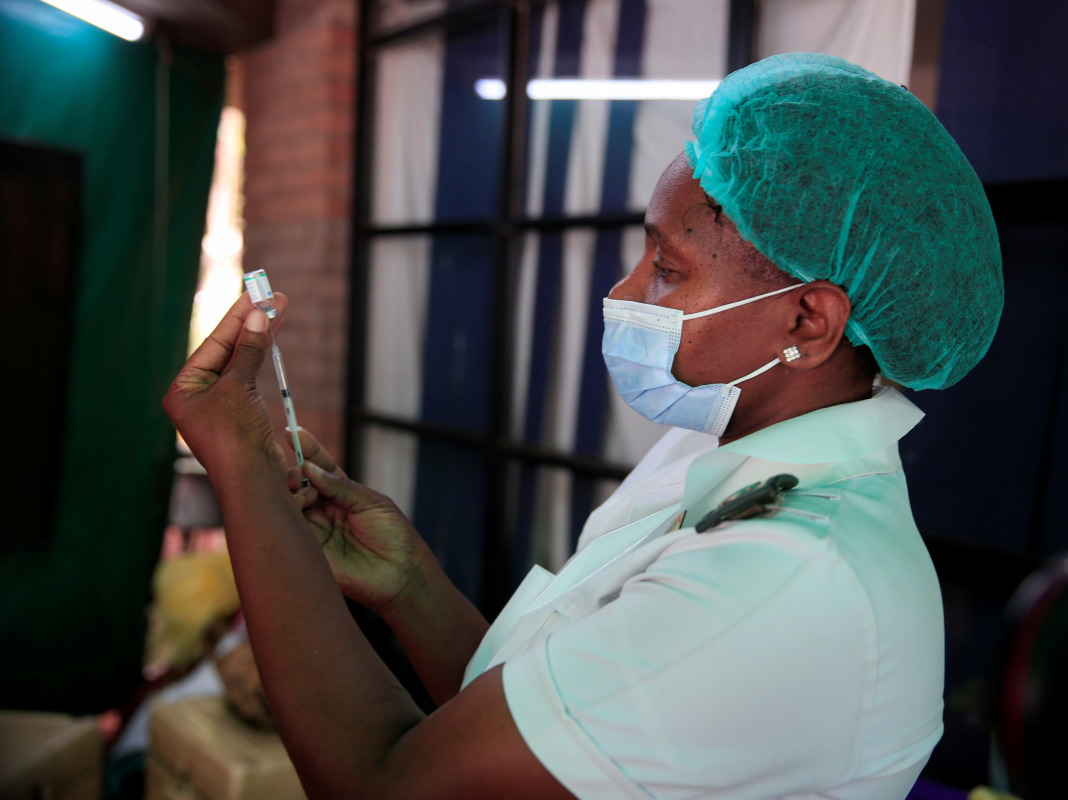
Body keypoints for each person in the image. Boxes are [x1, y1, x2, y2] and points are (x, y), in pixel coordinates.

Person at [164, 53, 1002, 799]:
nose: (626, 294)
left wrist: (240, 461)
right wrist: (408, 583)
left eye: (669, 270)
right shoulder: (717, 455)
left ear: (808, 323)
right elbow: (549, 723)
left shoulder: (789, 581)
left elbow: (381, 781)